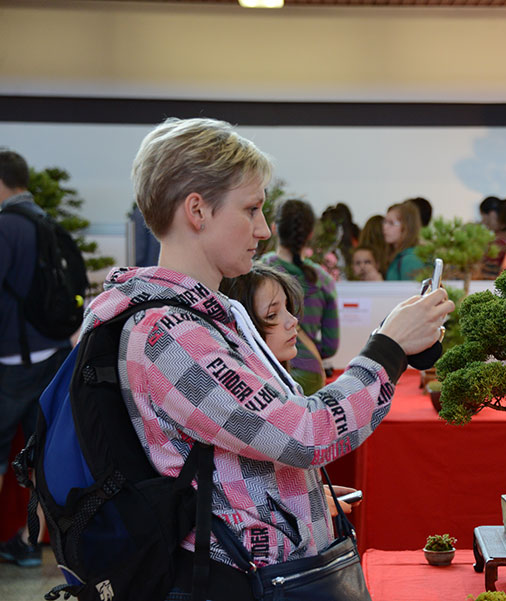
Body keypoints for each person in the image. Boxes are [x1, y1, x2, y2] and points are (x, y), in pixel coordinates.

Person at [83, 117, 452, 599]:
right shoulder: (169, 338)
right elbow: (305, 432)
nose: (263, 228)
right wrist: (388, 347)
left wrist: (297, 499)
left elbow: (237, 449)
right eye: (252, 208)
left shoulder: (206, 318)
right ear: (197, 210)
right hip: (237, 582)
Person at [220, 263, 361, 517]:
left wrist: (312, 493)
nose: (292, 321)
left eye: (288, 308)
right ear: (241, 327)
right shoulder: (239, 400)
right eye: (273, 315)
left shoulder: (281, 385)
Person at [0, 149, 71, 567]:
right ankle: (28, 543)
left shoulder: (6, 226)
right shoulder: (48, 223)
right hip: (53, 355)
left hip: (13, 360)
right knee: (38, 455)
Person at [261, 199, 339, 395]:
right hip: (309, 374)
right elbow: (331, 346)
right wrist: (303, 351)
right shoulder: (324, 281)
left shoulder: (258, 273)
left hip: (267, 370)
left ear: (274, 228)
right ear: (310, 234)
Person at [383, 200, 426, 280]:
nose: (385, 227)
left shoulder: (410, 259)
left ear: (407, 227)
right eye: (384, 222)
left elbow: (411, 291)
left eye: (391, 223)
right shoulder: (401, 256)